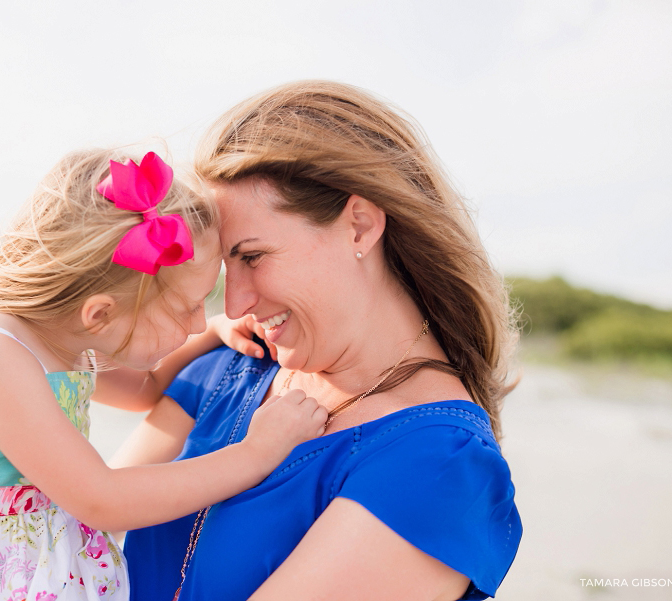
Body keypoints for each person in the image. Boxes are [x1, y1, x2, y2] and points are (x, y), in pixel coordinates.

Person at [118, 81, 523, 601]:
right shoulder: (230, 368)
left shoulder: (438, 464)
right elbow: (75, 529)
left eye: (253, 257)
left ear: (359, 226)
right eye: (225, 267)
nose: (235, 304)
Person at [0, 149, 328, 601]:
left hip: (33, 564)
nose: (197, 323)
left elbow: (144, 391)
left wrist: (215, 334)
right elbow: (102, 500)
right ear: (100, 314)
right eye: (188, 310)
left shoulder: (61, 341)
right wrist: (256, 454)